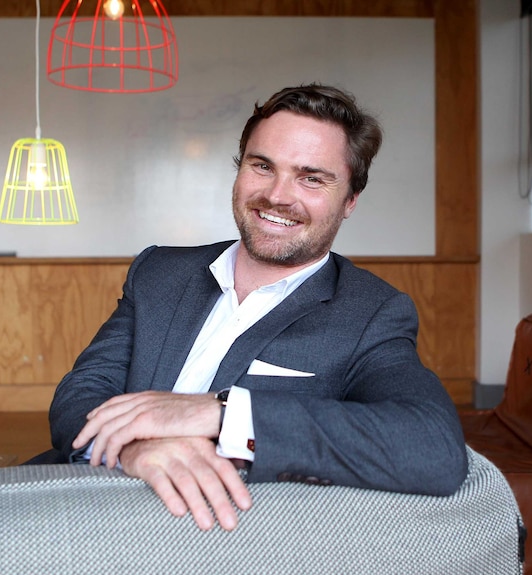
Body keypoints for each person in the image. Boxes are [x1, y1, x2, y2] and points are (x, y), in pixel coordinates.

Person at [48, 84, 468, 532]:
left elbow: (433, 447)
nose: (277, 195)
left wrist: (222, 413)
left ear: (349, 202)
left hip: (220, 533)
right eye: (262, 166)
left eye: (311, 178)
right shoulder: (159, 272)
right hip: (88, 497)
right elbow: (82, 392)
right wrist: (135, 449)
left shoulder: (371, 314)